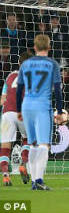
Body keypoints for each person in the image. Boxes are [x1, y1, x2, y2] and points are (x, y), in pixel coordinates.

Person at [16, 35, 64, 190]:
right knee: (44, 145)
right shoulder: (52, 64)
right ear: (49, 48)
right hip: (43, 106)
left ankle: (34, 182)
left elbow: (19, 89)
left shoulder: (25, 64)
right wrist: (60, 110)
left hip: (26, 105)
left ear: (35, 48)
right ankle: (38, 180)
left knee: (33, 144)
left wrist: (18, 109)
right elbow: (57, 89)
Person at [0, 51, 32, 186]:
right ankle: (23, 163)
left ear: (19, 63)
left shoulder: (11, 75)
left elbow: (2, 99)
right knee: (28, 139)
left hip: (7, 113)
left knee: (5, 145)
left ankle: (6, 175)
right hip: (23, 112)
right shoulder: (33, 77)